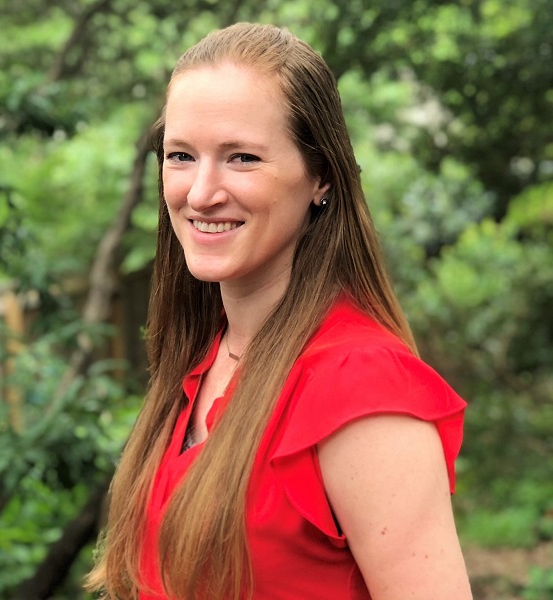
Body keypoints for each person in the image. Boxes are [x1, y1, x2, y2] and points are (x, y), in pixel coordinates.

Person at [86, 22, 473, 600]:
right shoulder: (203, 359)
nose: (200, 193)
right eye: (181, 156)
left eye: (242, 157)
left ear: (319, 176)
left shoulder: (362, 388)